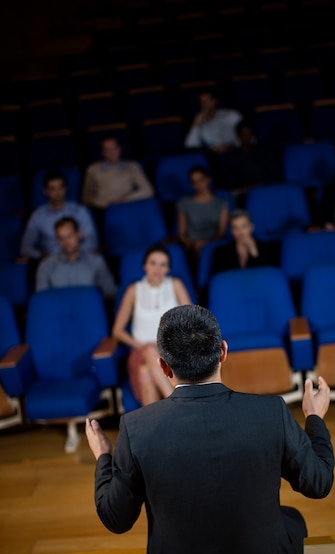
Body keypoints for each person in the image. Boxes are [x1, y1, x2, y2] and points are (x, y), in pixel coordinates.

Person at [86, 304, 334, 554]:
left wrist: (103, 457)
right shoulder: (271, 412)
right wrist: (314, 419)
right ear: (223, 352)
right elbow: (320, 483)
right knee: (292, 518)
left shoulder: (137, 428)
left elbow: (115, 519)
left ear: (164, 366)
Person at [112, 244, 191, 406]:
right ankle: (180, 402)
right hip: (141, 352)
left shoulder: (175, 285)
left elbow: (192, 320)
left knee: (145, 372)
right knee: (148, 354)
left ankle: (154, 428)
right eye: (153, 263)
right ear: (144, 266)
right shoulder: (134, 290)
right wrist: (141, 345)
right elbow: (117, 331)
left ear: (168, 269)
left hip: (172, 351)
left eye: (163, 264)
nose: (157, 269)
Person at [20, 169, 98, 260]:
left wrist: (73, 254)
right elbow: (26, 248)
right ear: (45, 191)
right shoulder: (38, 215)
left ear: (65, 189)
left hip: (78, 258)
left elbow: (92, 241)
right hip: (50, 261)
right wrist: (42, 255)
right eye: (53, 189)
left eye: (60, 188)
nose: (58, 193)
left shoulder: (80, 211)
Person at [35, 216, 117, 299]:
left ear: (79, 234)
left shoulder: (97, 262)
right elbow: (42, 300)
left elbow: (110, 293)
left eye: (70, 236)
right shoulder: (46, 266)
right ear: (57, 240)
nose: (66, 242)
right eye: (61, 238)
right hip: (59, 310)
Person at [177, 165, 229, 273]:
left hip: (214, 241)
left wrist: (206, 242)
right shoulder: (184, 203)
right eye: (194, 182)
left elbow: (222, 232)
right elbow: (182, 233)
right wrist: (189, 242)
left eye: (200, 180)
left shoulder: (221, 203)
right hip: (193, 244)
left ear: (208, 180)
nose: (198, 185)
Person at [82, 135, 155, 209]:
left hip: (128, 205)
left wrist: (126, 199)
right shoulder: (93, 169)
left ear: (119, 149)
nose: (111, 152)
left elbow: (148, 190)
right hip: (104, 208)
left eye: (114, 148)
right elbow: (87, 197)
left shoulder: (132, 166)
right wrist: (105, 203)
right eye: (107, 149)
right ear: (103, 153)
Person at [219, 119, 280, 206]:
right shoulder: (231, 156)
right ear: (238, 136)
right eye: (243, 134)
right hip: (242, 193)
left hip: (264, 189)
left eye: (248, 134)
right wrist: (241, 187)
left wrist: (258, 184)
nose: (246, 137)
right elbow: (225, 179)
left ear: (252, 135)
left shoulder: (264, 152)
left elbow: (274, 174)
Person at [211, 209, 278, 276]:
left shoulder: (267, 249)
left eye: (244, 226)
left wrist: (253, 251)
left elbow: (268, 276)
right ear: (231, 231)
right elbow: (219, 280)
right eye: (236, 228)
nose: (240, 232)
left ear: (251, 227)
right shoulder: (221, 253)